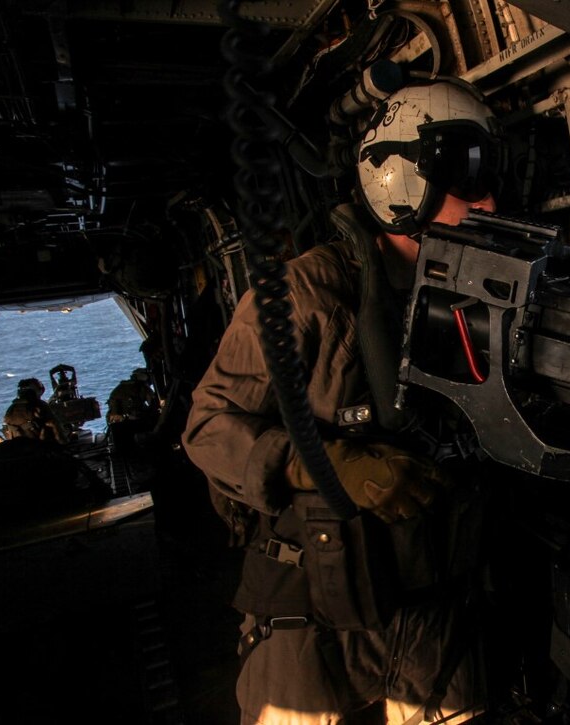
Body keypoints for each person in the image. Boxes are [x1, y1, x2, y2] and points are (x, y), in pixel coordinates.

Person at [182, 80, 503, 725]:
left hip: (429, 605)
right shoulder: (302, 296)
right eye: (467, 177)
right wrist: (326, 466)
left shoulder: (469, 296)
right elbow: (208, 428)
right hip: (310, 611)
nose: (490, 200)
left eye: (491, 174)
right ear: (400, 181)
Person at [2, 377, 68, 444]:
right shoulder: (39, 405)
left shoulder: (11, 409)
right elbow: (54, 425)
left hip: (17, 446)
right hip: (38, 447)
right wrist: (64, 444)